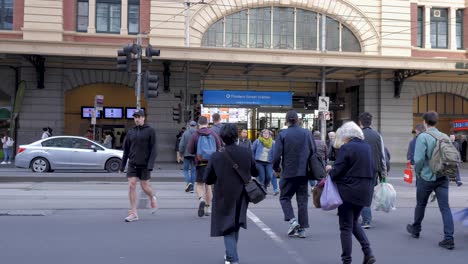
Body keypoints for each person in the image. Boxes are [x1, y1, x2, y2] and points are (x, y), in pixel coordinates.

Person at [204, 124, 259, 264]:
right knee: (235, 223)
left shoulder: (216, 156)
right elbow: (255, 172)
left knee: (227, 226)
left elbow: (208, 179)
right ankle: (230, 253)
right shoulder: (246, 152)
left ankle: (232, 258)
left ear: (221, 137)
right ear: (237, 136)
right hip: (242, 194)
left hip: (223, 194)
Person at [326, 122, 376, 264]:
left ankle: (346, 260)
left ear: (347, 135)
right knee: (353, 222)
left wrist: (330, 169)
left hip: (348, 191)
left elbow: (338, 172)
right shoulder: (367, 148)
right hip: (365, 190)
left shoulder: (346, 148)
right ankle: (368, 252)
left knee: (346, 226)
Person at [406, 111, 455, 250]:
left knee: (421, 204)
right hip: (442, 176)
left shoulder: (423, 137)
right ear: (436, 122)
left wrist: (418, 172)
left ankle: (416, 229)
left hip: (427, 176)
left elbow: (419, 159)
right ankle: (449, 238)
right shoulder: (444, 136)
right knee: (445, 207)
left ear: (424, 122)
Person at [272, 110, 314, 238]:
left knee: (284, 197)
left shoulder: (283, 134)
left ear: (286, 121)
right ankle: (302, 230)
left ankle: (293, 220)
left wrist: (276, 168)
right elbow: (313, 151)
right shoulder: (307, 133)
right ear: (298, 120)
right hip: (303, 171)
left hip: (288, 172)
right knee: (302, 200)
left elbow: (277, 154)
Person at [119, 109, 158, 222]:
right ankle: (134, 212)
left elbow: (154, 149)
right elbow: (126, 150)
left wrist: (150, 164)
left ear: (143, 118)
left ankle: (152, 196)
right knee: (132, 185)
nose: (137, 119)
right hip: (132, 164)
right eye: (135, 117)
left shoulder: (150, 131)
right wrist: (122, 165)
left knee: (145, 186)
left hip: (145, 164)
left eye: (139, 117)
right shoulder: (130, 132)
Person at [188, 116, 222, 217]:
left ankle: (201, 199)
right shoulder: (213, 134)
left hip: (200, 163)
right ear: (207, 123)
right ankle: (208, 208)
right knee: (209, 186)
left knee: (199, 184)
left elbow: (190, 149)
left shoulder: (195, 134)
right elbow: (219, 147)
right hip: (212, 163)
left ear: (198, 124)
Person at [358, 112, 387, 229]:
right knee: (368, 193)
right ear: (371, 122)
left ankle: (364, 218)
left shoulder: (357, 135)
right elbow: (382, 155)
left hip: (358, 169)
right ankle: (366, 219)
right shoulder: (378, 135)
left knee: (359, 194)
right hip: (374, 169)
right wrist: (383, 172)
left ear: (360, 122)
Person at [252, 129, 277, 195]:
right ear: (262, 134)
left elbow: (275, 153)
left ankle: (264, 187)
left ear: (269, 135)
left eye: (267, 133)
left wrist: (274, 161)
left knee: (269, 176)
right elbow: (252, 151)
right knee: (262, 177)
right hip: (259, 162)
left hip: (269, 162)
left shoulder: (273, 142)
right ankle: (263, 189)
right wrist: (253, 160)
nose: (266, 134)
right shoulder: (257, 141)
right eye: (264, 133)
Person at [178, 121, 198, 193]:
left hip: (186, 155)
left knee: (185, 170)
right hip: (195, 155)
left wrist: (180, 154)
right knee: (193, 171)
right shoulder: (198, 134)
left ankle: (188, 182)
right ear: (195, 126)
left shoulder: (185, 133)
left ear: (189, 126)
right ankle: (192, 187)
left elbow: (181, 145)